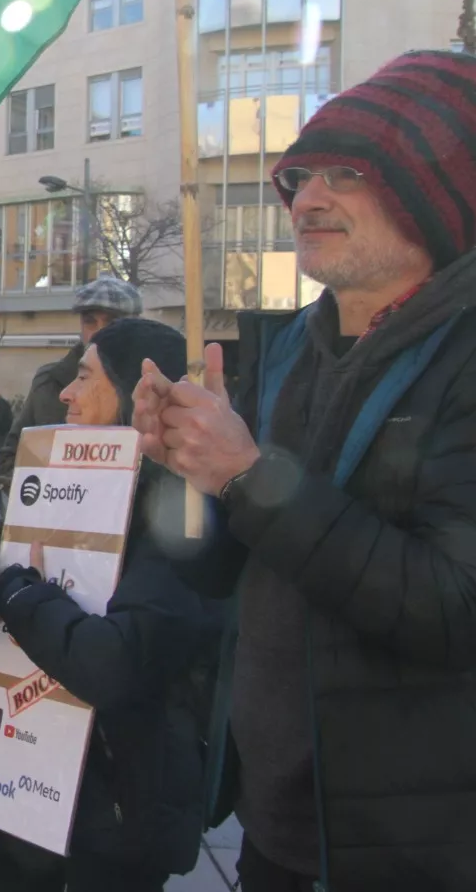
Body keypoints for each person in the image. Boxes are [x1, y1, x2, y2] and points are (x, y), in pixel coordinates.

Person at [130, 50, 476, 892]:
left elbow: (452, 606)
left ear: (435, 195)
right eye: (298, 178)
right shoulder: (287, 350)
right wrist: (177, 468)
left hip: (411, 843)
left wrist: (248, 477)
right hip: (277, 823)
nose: (307, 198)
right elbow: (213, 565)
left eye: (346, 173)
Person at [0, 319, 221, 892]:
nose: (66, 393)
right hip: (25, 791)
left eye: (85, 377)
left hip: (118, 810)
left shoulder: (184, 512)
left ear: (138, 390)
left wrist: (25, 596)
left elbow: (113, 662)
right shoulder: (61, 478)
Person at [0, 276, 141, 483]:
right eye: (90, 321)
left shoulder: (149, 388)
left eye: (111, 323)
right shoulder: (49, 382)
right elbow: (11, 456)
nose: (99, 332)